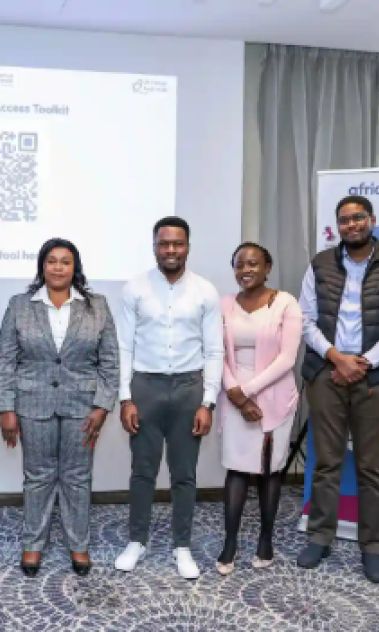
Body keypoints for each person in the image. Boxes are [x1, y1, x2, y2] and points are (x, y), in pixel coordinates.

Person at [297, 195, 379, 584]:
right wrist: (337, 358)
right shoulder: (320, 264)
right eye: (344, 220)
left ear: (371, 220)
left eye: (358, 218)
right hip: (327, 373)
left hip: (376, 377)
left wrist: (361, 363)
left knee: (370, 467)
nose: (351, 225)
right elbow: (305, 320)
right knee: (326, 463)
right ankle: (320, 537)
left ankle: (373, 547)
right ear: (338, 226)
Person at [0, 238, 120, 577]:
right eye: (51, 261)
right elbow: (5, 360)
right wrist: (6, 408)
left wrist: (102, 406)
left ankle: (78, 543)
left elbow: (110, 361)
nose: (58, 267)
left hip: (83, 405)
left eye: (65, 261)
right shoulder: (20, 305)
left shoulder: (97, 306)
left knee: (77, 477)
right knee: (37, 476)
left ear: (75, 267)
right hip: (32, 402)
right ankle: (33, 543)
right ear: (42, 266)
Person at [114, 217, 224, 579]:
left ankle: (182, 546)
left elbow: (214, 350)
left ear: (188, 246)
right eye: (164, 244)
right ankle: (137, 541)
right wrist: (125, 398)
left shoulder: (205, 291)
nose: (171, 250)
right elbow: (124, 346)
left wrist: (207, 402)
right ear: (155, 247)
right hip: (145, 386)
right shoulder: (135, 288)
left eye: (178, 243)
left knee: (184, 474)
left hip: (189, 388)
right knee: (142, 471)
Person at [215, 242, 302, 575]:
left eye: (253, 264)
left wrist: (248, 392)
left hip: (273, 396)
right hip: (234, 394)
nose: (245, 270)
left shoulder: (285, 303)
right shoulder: (224, 304)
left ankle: (266, 540)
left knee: (269, 471)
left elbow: (287, 359)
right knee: (236, 469)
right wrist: (236, 395)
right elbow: (217, 354)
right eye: (239, 264)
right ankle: (230, 543)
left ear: (268, 267)